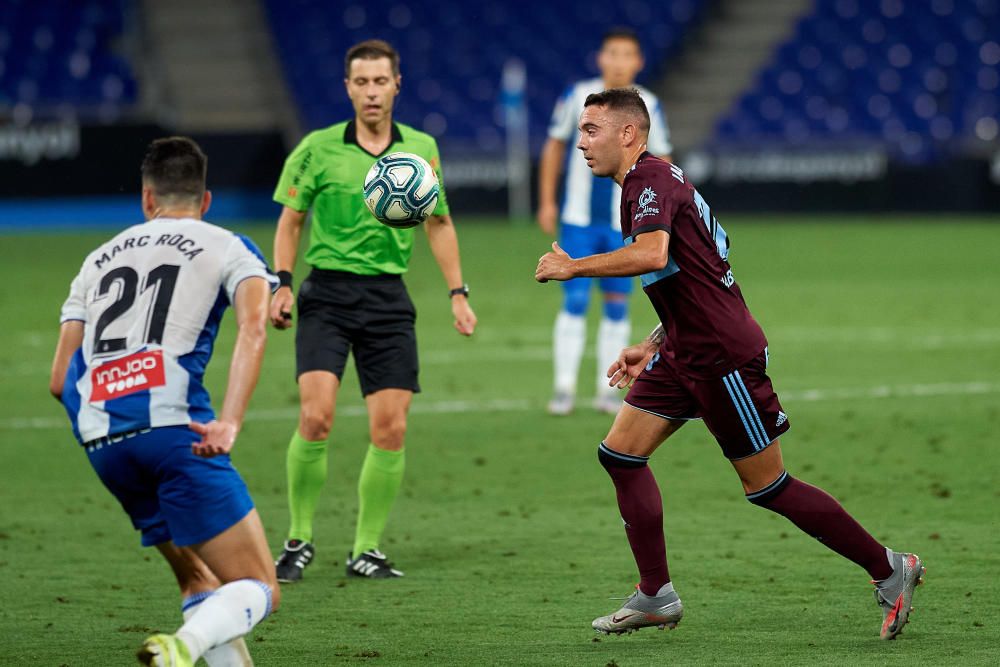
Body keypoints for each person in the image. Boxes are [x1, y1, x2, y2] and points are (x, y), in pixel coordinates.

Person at [535, 88, 924, 639]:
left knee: (768, 487)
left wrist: (574, 267)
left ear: (629, 133)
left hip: (721, 358)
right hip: (683, 350)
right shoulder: (650, 183)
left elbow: (653, 255)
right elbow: (692, 272)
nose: (581, 143)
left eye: (591, 130)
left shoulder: (649, 182)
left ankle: (890, 569)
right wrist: (654, 342)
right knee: (620, 455)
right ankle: (655, 595)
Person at [49, 136, 280, 666]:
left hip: (104, 440)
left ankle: (187, 641)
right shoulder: (227, 244)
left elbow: (61, 379)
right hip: (176, 435)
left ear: (146, 199)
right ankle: (185, 647)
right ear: (206, 201)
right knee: (259, 585)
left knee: (199, 577)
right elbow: (254, 329)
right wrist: (229, 422)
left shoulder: (96, 259)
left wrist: (103, 425)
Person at [269, 39, 477, 582]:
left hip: (387, 299)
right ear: (348, 88)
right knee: (315, 417)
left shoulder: (421, 148)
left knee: (391, 428)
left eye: (380, 81)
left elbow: (438, 222)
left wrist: (458, 293)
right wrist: (282, 284)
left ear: (396, 85)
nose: (371, 92)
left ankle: (367, 548)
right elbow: (291, 219)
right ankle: (297, 540)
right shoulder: (316, 148)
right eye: (360, 82)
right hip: (327, 296)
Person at [537, 28, 672, 416]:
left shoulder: (650, 106)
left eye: (625, 54)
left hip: (625, 223)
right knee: (575, 298)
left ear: (637, 62)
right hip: (577, 219)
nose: (617, 61)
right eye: (611, 53)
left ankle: (604, 390)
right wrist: (546, 200)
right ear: (601, 58)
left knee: (616, 304)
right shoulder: (579, 97)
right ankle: (563, 387)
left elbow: (662, 160)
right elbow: (555, 145)